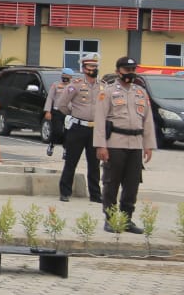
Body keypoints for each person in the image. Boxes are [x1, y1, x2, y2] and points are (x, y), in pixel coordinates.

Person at [94, 57, 156, 234]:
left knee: (132, 184)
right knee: (111, 183)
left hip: (135, 144)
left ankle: (127, 219)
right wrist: (101, 146)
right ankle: (111, 219)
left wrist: (148, 145)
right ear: (118, 71)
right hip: (115, 142)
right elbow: (99, 120)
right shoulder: (108, 91)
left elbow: (148, 119)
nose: (130, 73)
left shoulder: (140, 92)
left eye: (132, 69)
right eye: (126, 69)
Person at [54, 54, 104, 203]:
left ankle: (95, 194)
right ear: (84, 69)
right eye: (90, 67)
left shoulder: (103, 86)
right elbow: (62, 104)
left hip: (95, 129)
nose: (93, 69)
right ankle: (65, 192)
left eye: (95, 66)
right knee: (71, 161)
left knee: (94, 164)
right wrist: (74, 114)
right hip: (78, 128)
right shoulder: (75, 85)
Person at [42, 68, 74, 158]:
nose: (65, 77)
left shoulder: (73, 86)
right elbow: (50, 98)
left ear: (71, 77)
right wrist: (48, 111)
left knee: (67, 133)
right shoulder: (56, 85)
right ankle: (52, 144)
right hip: (57, 111)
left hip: (69, 112)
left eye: (67, 76)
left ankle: (65, 149)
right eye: (63, 75)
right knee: (57, 131)